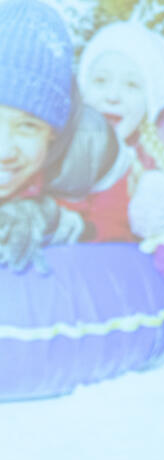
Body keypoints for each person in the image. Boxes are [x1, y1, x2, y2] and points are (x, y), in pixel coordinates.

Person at [67, 20, 164, 285]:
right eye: (100, 81)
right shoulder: (66, 141)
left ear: (150, 99)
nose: (113, 96)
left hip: (128, 276)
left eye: (131, 85)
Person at [0, 0, 87, 270]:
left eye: (28, 126)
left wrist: (51, 216)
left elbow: (123, 225)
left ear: (53, 134)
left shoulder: (84, 162)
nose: (4, 151)